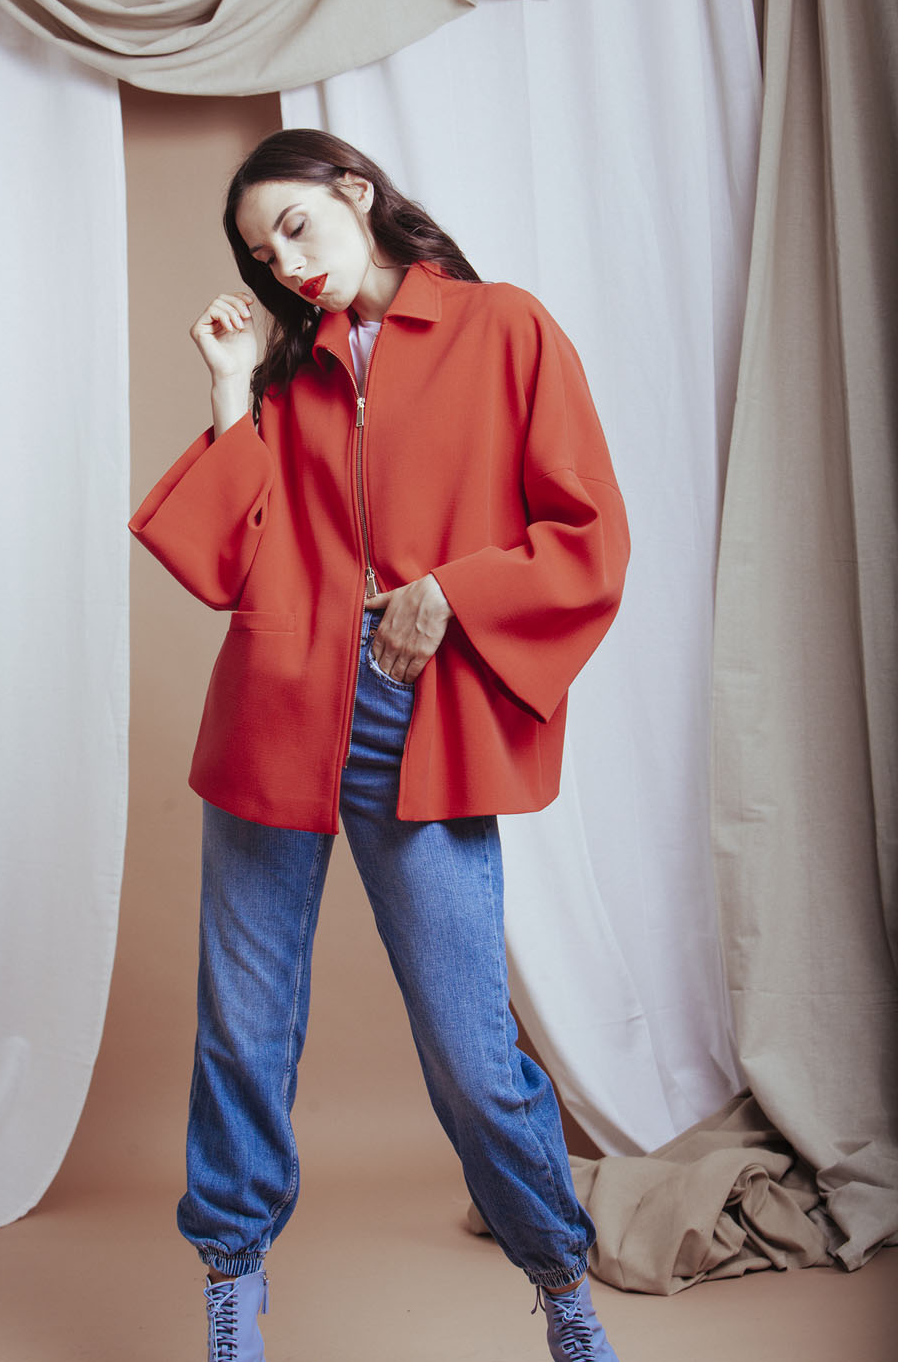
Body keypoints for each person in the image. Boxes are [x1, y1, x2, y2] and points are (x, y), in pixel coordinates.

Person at [130, 129, 630, 1362]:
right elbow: (220, 564)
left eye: (296, 225)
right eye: (262, 255)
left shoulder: (503, 329)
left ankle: (561, 1283)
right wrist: (231, 394)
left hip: (421, 717)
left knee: (470, 1048)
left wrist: (451, 591)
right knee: (243, 1029)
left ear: (355, 192)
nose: (285, 263)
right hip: (274, 714)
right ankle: (233, 1287)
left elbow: (587, 535)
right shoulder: (287, 373)